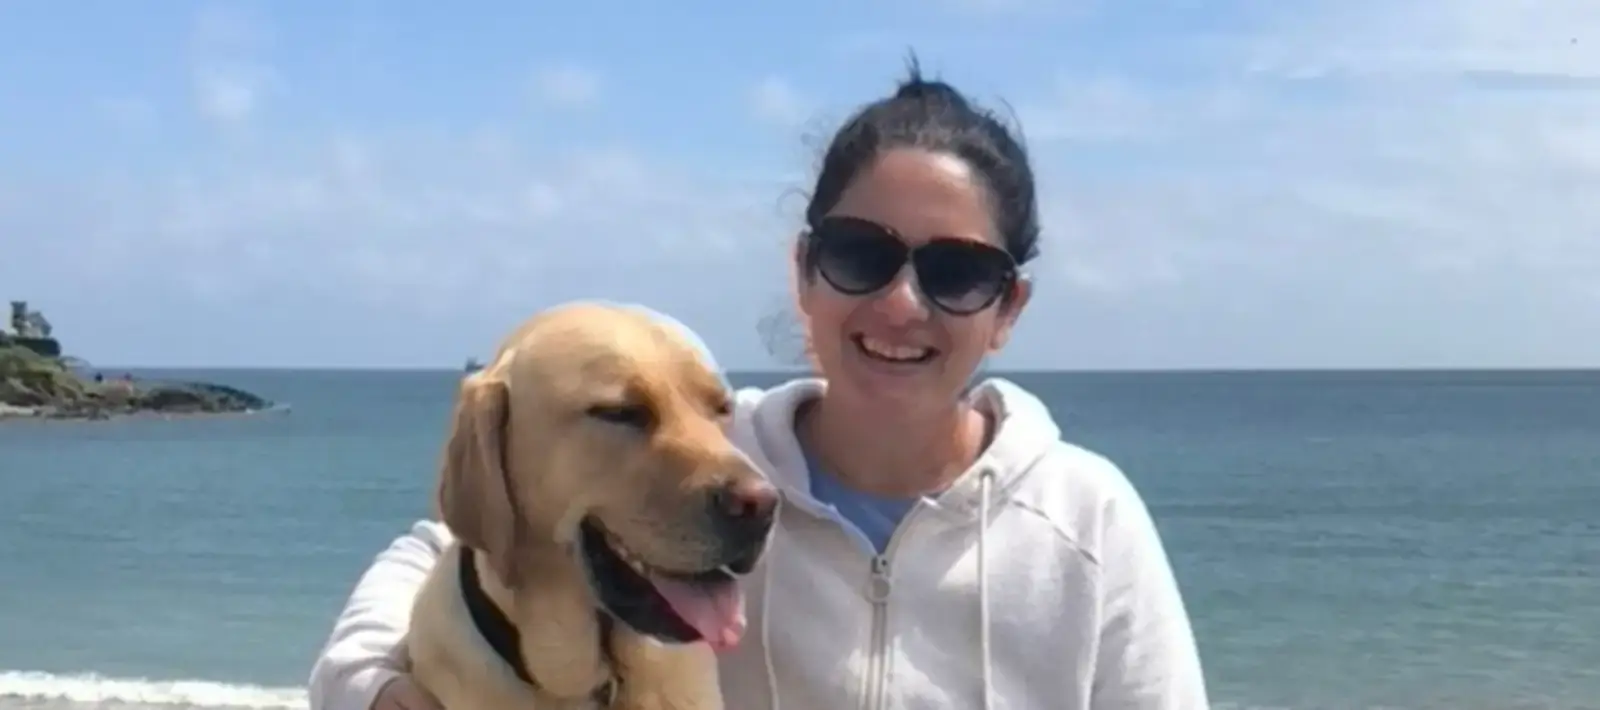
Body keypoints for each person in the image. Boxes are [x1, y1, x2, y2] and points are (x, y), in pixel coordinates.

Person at [307, 63, 1208, 710]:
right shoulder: (719, 454)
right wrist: (375, 692)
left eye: (957, 273)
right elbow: (441, 543)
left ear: (1006, 308)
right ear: (806, 274)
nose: (902, 304)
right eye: (861, 256)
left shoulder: (1085, 519)